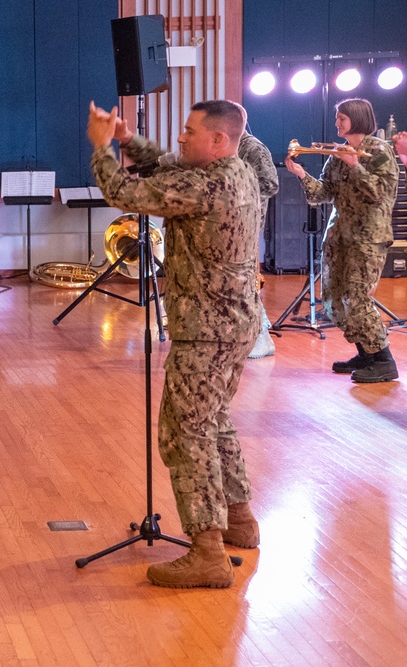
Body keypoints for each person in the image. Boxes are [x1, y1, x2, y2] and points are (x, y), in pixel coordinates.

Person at [88, 99, 261, 589]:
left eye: (189, 131)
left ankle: (206, 551)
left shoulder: (202, 184)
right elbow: (165, 162)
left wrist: (102, 147)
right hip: (237, 323)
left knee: (185, 434)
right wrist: (127, 139)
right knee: (215, 421)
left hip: (206, 330)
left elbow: (123, 192)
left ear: (219, 141)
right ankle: (241, 520)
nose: (180, 138)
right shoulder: (240, 171)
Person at [285, 98, 399, 383]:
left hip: (367, 239)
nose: (337, 123)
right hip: (340, 237)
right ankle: (366, 353)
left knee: (357, 298)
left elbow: (381, 194)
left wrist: (356, 166)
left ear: (357, 120)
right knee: (335, 300)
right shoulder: (337, 154)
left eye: (342, 119)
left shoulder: (379, 151)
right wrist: (301, 174)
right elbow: (323, 194)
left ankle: (384, 360)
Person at [236, 111, 280, 359]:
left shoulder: (253, 148)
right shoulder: (230, 147)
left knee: (248, 282)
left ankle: (262, 336)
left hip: (248, 224)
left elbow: (270, 184)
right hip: (232, 224)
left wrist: (236, 189)